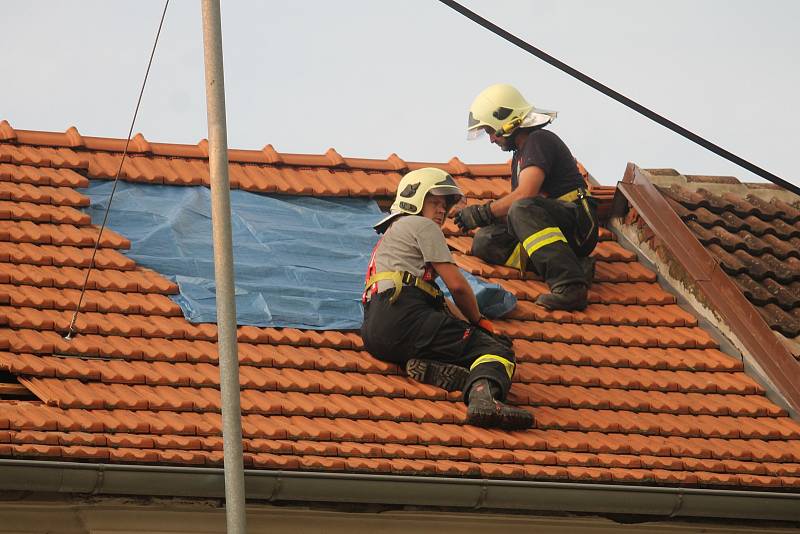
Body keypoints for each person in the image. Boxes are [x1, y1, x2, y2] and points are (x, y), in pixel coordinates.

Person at [361, 167, 533, 430]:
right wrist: (479, 321)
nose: (442, 210)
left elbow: (439, 299)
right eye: (435, 202)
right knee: (495, 350)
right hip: (406, 317)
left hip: (378, 332)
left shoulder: (394, 239)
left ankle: (443, 370)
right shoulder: (421, 225)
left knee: (462, 344)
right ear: (414, 199)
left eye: (445, 205)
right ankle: (483, 398)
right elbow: (458, 286)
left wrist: (470, 327)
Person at [456, 83, 599, 311]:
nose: (491, 139)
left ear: (507, 121)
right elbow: (521, 208)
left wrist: (484, 212)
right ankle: (572, 265)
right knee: (485, 241)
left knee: (520, 209)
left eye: (491, 131)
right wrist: (486, 218)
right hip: (556, 227)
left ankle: (571, 286)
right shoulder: (519, 157)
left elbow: (525, 195)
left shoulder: (538, 140)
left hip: (578, 225)